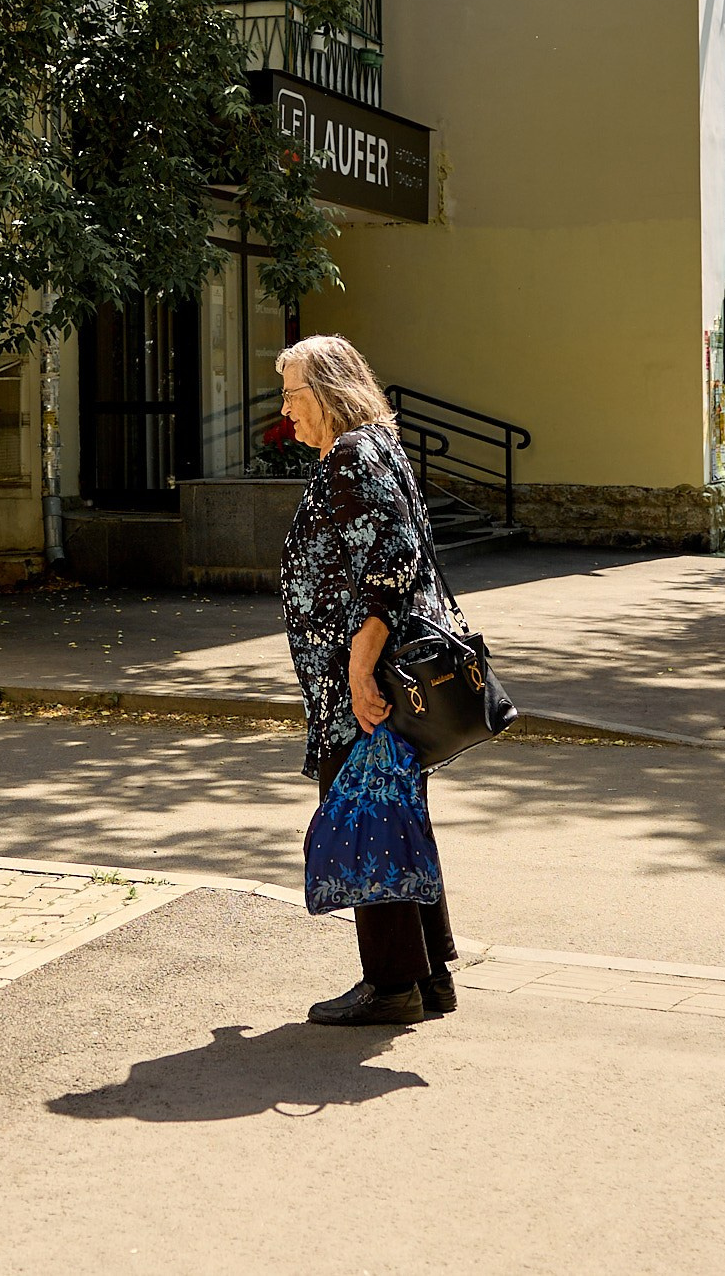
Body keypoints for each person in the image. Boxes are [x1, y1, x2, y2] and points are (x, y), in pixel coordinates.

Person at [276, 335, 461, 1027]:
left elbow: (391, 560)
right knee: (396, 814)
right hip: (367, 678)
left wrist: (358, 670)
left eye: (292, 394)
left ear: (326, 391)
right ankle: (431, 973)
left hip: (361, 684)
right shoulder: (372, 447)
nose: (286, 411)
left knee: (366, 820)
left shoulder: (353, 456)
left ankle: (391, 985)